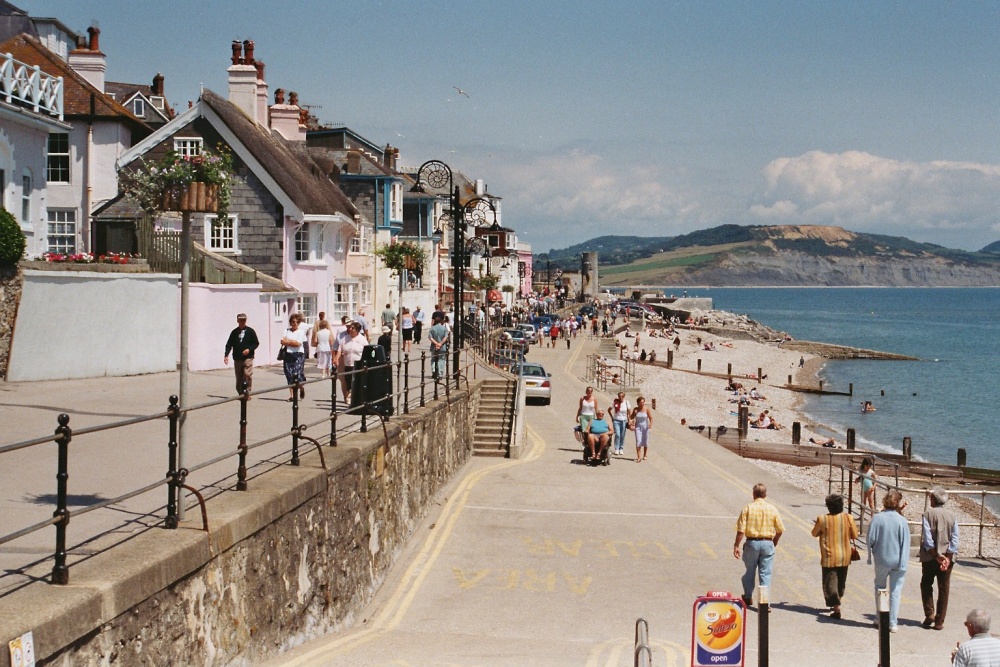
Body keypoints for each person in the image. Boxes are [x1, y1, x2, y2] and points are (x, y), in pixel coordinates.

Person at [733, 483, 784, 607]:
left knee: (750, 571)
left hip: (752, 542)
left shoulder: (748, 508)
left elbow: (741, 530)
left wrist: (736, 545)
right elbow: (780, 529)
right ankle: (764, 602)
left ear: (753, 494)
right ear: (765, 495)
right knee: (765, 574)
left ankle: (748, 596)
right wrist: (775, 541)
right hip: (768, 542)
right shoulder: (772, 508)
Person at [867, 490, 910, 633]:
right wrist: (903, 561)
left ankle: (879, 617)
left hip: (881, 558)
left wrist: (872, 551)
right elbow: (906, 542)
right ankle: (893, 622)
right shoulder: (902, 521)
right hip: (898, 559)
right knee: (895, 591)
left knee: (880, 587)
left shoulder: (877, 518)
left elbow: (870, 539)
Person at [811, 494, 860, 619]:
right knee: (841, 581)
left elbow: (814, 533)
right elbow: (855, 535)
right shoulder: (848, 518)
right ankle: (837, 601)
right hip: (845, 555)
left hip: (829, 555)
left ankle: (836, 607)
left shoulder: (822, 519)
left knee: (829, 581)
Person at [920, 486, 959, 630]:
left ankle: (929, 613)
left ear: (933, 500)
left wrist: (936, 555)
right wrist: (947, 557)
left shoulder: (927, 514)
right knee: (943, 588)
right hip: (947, 557)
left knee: (926, 583)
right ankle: (939, 621)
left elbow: (927, 539)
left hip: (930, 557)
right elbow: (955, 539)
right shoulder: (953, 516)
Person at [223, 313, 259, 397]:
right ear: (237, 321)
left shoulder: (250, 331)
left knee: (247, 374)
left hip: (248, 358)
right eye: (241, 320)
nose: (242, 322)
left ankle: (247, 392)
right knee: (239, 377)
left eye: (244, 320)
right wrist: (226, 355)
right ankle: (240, 393)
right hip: (237, 358)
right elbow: (229, 344)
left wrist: (249, 349)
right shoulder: (234, 332)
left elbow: (256, 343)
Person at [332, 321, 366, 402]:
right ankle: (348, 398)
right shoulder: (345, 338)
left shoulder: (362, 339)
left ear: (357, 330)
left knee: (356, 382)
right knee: (348, 382)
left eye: (352, 328)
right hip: (347, 364)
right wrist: (336, 359)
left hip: (358, 364)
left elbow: (366, 350)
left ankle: (356, 399)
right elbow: (339, 349)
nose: (350, 329)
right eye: (350, 327)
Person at [280, 314, 309, 401]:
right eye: (293, 322)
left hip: (298, 354)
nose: (295, 323)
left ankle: (301, 388)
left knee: (297, 374)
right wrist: (291, 342)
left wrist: (288, 342)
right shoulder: (286, 331)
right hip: (288, 354)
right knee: (289, 374)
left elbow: (298, 343)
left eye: (297, 322)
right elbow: (282, 341)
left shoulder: (301, 332)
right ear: (290, 322)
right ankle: (292, 396)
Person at [428, 312, 449, 380]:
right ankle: (440, 373)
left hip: (434, 346)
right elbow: (446, 337)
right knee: (441, 359)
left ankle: (434, 371)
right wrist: (440, 343)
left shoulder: (432, 328)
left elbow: (430, 337)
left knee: (433, 359)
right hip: (442, 347)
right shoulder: (444, 328)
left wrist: (436, 343)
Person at [630, 396, 652, 462]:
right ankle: (639, 457)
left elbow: (651, 417)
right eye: (640, 402)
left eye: (643, 402)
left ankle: (645, 454)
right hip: (638, 427)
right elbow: (631, 417)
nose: (642, 403)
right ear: (638, 403)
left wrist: (650, 424)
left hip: (645, 427)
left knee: (645, 441)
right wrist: (632, 422)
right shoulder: (636, 410)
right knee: (638, 441)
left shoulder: (647, 409)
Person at [611, 391, 630, 456]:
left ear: (624, 397)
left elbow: (629, 412)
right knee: (618, 434)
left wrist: (629, 420)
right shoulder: (615, 402)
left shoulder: (626, 403)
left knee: (622, 435)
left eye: (622, 396)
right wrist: (612, 417)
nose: (620, 397)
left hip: (624, 420)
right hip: (616, 420)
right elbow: (609, 409)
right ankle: (616, 448)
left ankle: (621, 448)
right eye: (619, 396)